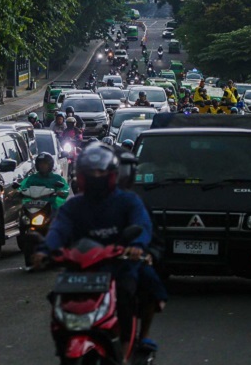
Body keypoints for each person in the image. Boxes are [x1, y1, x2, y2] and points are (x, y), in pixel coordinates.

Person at [32, 144, 167, 348]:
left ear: (112, 174)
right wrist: (44, 251)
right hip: (81, 269)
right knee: (58, 297)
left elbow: (142, 224)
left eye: (101, 171)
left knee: (128, 293)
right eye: (91, 172)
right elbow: (58, 230)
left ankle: (127, 345)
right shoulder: (73, 206)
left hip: (119, 266)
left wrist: (137, 246)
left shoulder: (129, 201)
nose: (96, 176)